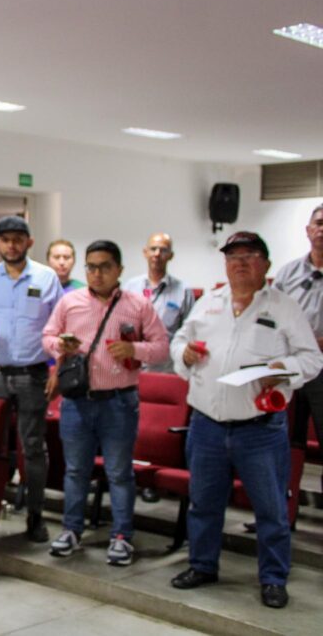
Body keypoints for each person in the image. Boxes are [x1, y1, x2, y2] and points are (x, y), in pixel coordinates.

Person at [169, 231, 323, 609]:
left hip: (260, 430)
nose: (240, 262)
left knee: (271, 510)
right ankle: (202, 565)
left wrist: (282, 369)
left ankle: (273, 578)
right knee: (203, 503)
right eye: (233, 256)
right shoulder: (208, 304)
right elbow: (178, 342)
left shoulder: (283, 307)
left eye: (250, 255)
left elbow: (312, 360)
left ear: (265, 265)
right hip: (206, 425)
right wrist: (183, 354)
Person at [42, 239, 168, 566]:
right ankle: (71, 530)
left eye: (105, 267)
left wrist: (135, 350)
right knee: (75, 471)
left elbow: (162, 346)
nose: (97, 274)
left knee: (119, 472)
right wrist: (61, 345)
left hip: (119, 402)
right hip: (77, 402)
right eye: (91, 267)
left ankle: (122, 536)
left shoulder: (137, 305)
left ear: (119, 270)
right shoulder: (70, 302)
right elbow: (47, 336)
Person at [0, 216, 63, 542]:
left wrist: (57, 369)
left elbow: (61, 327)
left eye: (17, 239)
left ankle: (35, 516)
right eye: (5, 239)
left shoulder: (47, 278)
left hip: (31, 375)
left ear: (29, 242)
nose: (11, 245)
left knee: (33, 447)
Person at [272, 205, 323, 477]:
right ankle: (283, 516)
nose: (322, 230)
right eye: (319, 223)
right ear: (308, 230)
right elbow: (269, 317)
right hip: (290, 367)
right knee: (287, 442)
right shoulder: (288, 273)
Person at [122, 232, 195, 373]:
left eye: (163, 250)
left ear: (171, 256)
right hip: (133, 365)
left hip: (167, 368)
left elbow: (190, 332)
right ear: (145, 252)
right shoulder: (130, 287)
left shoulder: (183, 290)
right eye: (153, 249)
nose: (157, 254)